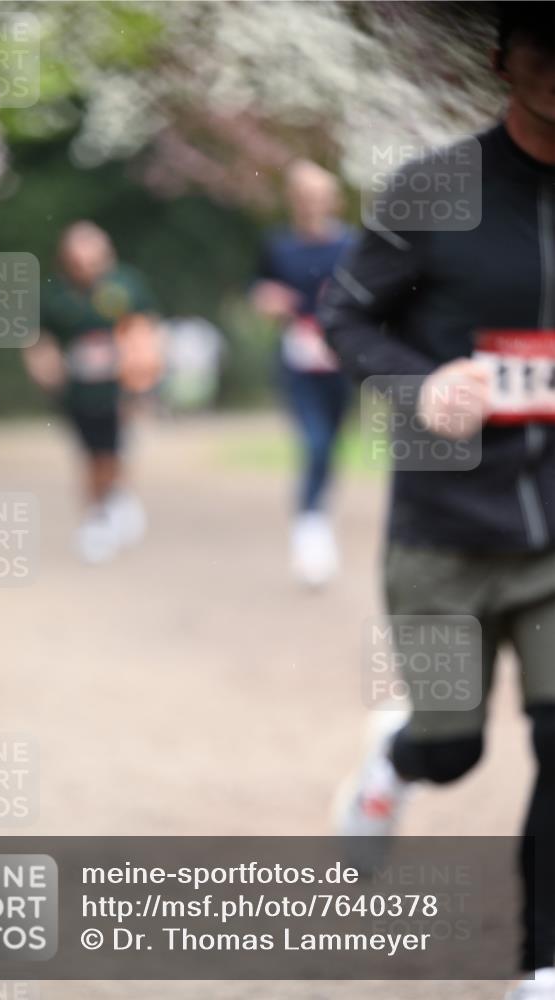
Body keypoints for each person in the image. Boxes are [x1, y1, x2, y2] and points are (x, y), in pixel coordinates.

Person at [318, 4, 555, 995]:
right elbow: (344, 316)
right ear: (503, 57)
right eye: (544, 42)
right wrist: (421, 388)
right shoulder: (435, 188)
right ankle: (398, 760)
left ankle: (541, 965)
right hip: (447, 532)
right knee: (453, 749)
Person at [24, 221, 162, 563]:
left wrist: (143, 374)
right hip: (78, 392)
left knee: (113, 451)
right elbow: (36, 337)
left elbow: (147, 329)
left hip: (120, 389)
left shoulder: (126, 285)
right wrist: (43, 362)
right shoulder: (53, 294)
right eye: (78, 262)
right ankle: (101, 513)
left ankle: (109, 507)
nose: (86, 268)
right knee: (91, 456)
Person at [251, 161, 355, 587]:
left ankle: (318, 514)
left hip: (341, 363)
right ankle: (311, 528)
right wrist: (267, 300)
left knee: (330, 445)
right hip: (298, 362)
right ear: (293, 200)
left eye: (319, 195)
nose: (312, 202)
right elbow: (260, 289)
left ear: (334, 200)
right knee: (313, 442)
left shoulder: (354, 246)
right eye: (303, 195)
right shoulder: (278, 247)